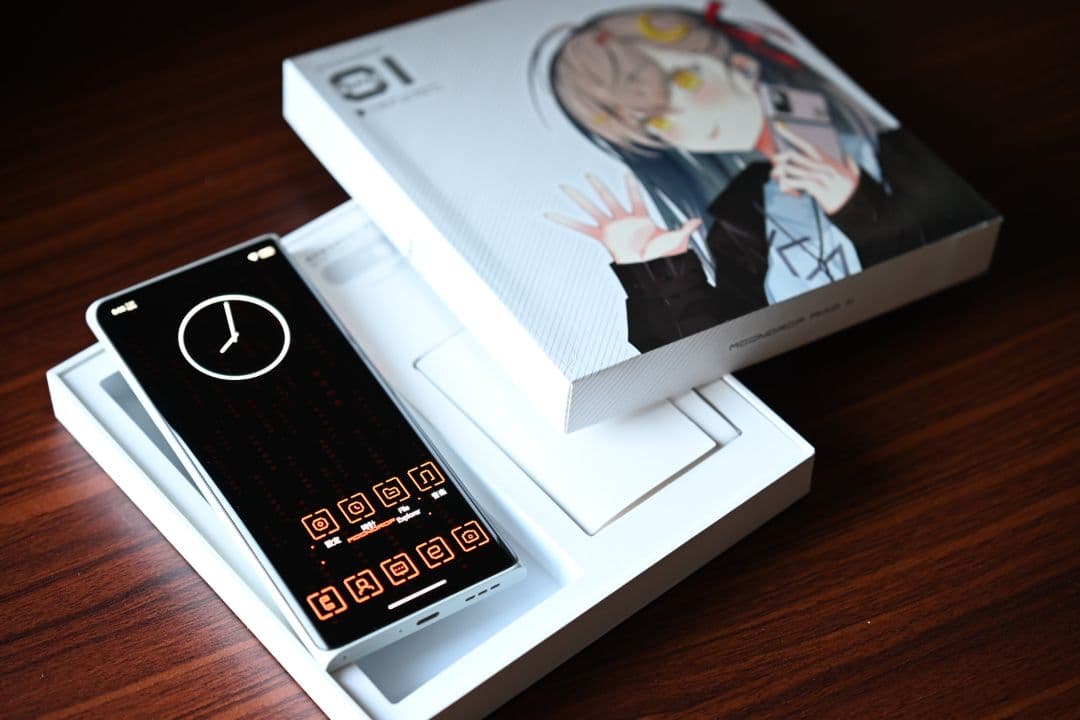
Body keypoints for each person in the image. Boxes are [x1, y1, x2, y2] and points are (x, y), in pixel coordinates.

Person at [541, 4, 994, 352]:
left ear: (741, 65)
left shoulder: (888, 151)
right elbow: (719, 344)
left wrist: (860, 205)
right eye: (656, 121)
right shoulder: (740, 213)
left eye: (685, 81)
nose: (685, 117)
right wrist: (660, 272)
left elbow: (948, 241)